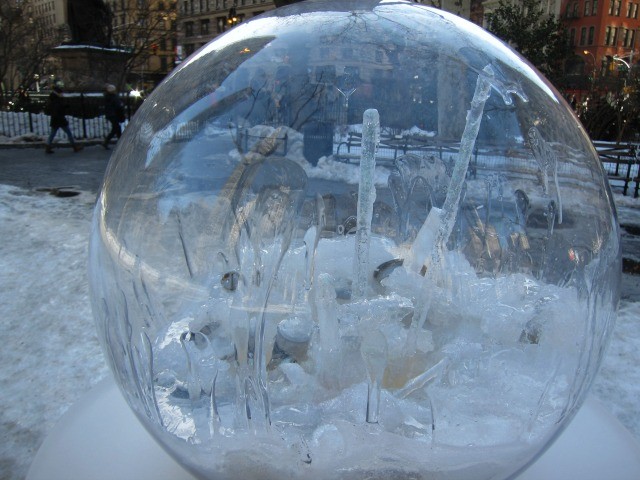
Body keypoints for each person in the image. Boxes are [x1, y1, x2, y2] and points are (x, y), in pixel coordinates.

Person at [45, 83, 82, 154]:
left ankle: (48, 146)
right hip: (60, 119)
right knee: (68, 133)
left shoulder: (53, 100)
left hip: (55, 119)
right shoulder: (57, 101)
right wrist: (65, 107)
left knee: (53, 133)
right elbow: (59, 110)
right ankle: (74, 147)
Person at [102, 84, 125, 149]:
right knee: (116, 128)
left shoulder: (107, 97)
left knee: (116, 128)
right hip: (114, 114)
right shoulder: (114, 97)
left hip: (110, 114)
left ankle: (120, 142)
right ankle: (108, 141)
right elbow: (118, 106)